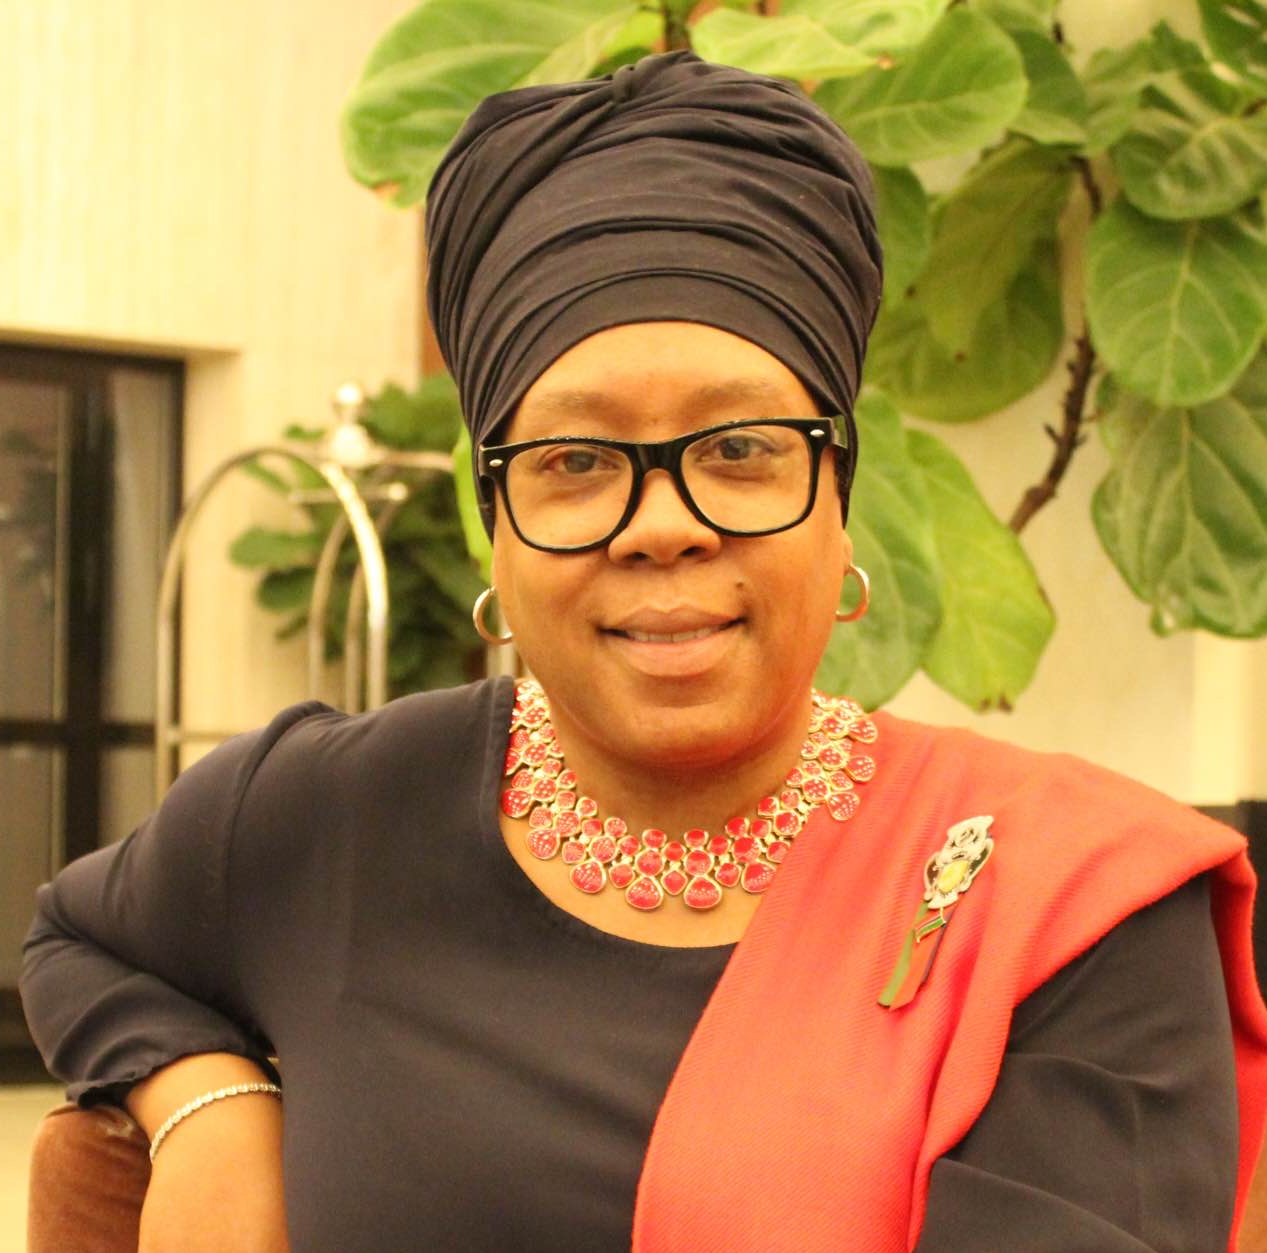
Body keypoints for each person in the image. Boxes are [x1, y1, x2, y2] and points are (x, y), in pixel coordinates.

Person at [20, 52, 1267, 1253]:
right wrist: (207, 1102)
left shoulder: (1068, 909)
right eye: (574, 459)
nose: (662, 524)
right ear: (498, 524)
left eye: (739, 450)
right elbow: (80, 938)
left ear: (839, 503)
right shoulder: (328, 811)